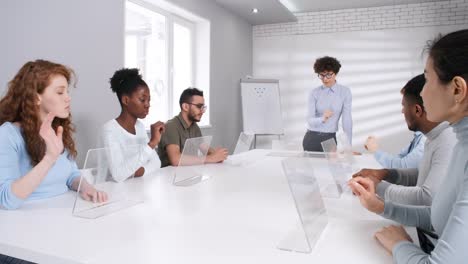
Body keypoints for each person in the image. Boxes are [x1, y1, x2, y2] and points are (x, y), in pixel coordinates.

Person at [349, 29, 468, 263]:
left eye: (427, 78)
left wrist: (399, 245)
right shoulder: (460, 144)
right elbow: (438, 217)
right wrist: (380, 207)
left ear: (457, 89)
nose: (422, 92)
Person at [0, 60, 107, 210]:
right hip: (26, 222)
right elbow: (7, 199)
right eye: (59, 92)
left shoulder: (58, 129)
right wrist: (49, 158)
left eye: (67, 91)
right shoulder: (8, 134)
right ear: (36, 97)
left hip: (63, 215)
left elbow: (71, 174)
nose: (67, 97)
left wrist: (86, 187)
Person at [353, 74, 456, 206]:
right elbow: (421, 175)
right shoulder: (433, 137)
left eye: (404, 106)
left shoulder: (447, 140)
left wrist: (376, 186)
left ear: (417, 110)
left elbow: (427, 197)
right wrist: (384, 174)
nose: (402, 111)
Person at [102, 68, 165, 182]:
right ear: (126, 100)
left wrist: (134, 172)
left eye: (149, 100)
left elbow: (157, 163)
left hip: (137, 189)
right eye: (142, 100)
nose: (147, 105)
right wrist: (152, 143)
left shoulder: (139, 127)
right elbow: (119, 175)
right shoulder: (110, 130)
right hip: (115, 193)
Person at [158, 87, 228, 167]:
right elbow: (175, 160)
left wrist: (217, 154)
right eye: (199, 106)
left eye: (203, 107)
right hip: (169, 176)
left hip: (188, 174)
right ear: (185, 107)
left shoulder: (194, 126)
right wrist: (211, 158)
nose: (202, 111)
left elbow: (205, 148)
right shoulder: (171, 126)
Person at [303, 56, 352, 152]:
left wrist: (348, 146)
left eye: (329, 75)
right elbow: (309, 120)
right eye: (321, 75)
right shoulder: (314, 93)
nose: (325, 79)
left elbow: (347, 120)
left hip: (329, 138)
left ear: (335, 73)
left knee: (330, 167)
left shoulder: (345, 92)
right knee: (310, 166)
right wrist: (323, 118)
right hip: (311, 138)